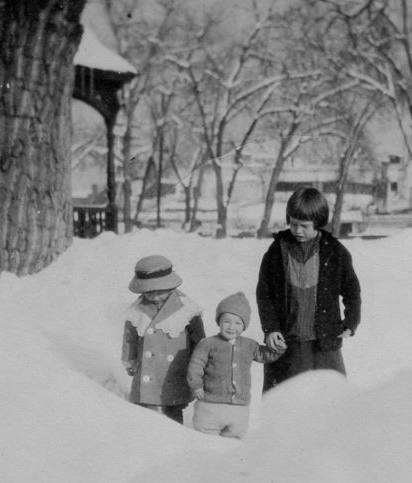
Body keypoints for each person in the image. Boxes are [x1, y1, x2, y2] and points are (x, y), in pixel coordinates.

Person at [256, 186, 361, 391]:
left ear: (319, 223)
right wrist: (271, 329)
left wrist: (351, 322)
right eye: (294, 224)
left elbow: (352, 292)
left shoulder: (335, 252)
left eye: (304, 226)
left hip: (323, 346)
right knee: (287, 399)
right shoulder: (277, 251)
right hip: (287, 343)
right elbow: (264, 294)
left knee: (327, 399)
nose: (298, 231)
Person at [121, 254, 205, 424]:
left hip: (174, 372)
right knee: (144, 411)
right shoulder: (137, 311)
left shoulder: (187, 309)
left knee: (172, 411)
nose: (154, 297)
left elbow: (200, 342)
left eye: (160, 292)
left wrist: (200, 368)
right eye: (149, 293)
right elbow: (130, 338)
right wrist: (130, 360)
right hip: (147, 370)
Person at [187, 292, 283, 439]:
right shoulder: (208, 343)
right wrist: (196, 385)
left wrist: (279, 349)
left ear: (244, 326)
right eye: (226, 321)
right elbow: (195, 366)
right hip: (210, 406)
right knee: (205, 441)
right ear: (219, 321)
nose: (231, 327)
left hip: (239, 409)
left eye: (238, 323)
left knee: (233, 446)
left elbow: (265, 356)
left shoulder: (250, 345)